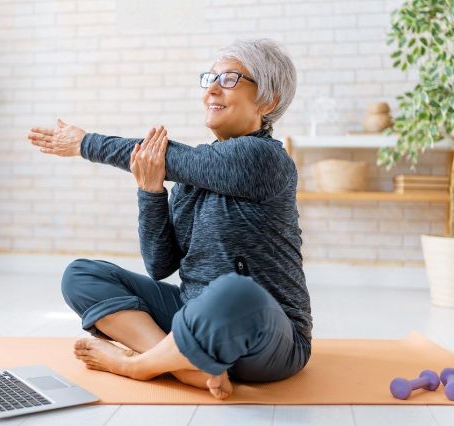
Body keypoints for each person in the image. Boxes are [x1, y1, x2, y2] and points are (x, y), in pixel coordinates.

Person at [27, 38, 312, 400]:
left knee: (235, 291)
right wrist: (151, 193)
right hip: (193, 317)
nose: (211, 89)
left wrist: (85, 142)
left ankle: (139, 364)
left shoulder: (265, 158)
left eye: (228, 79)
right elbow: (161, 266)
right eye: (209, 78)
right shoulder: (194, 179)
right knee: (81, 275)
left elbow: (171, 157)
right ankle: (184, 364)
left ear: (267, 100)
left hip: (269, 338)